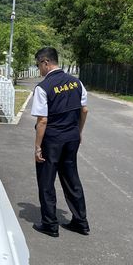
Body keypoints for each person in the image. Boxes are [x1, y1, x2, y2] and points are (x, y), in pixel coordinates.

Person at [30, 47, 90, 238]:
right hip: (72, 137)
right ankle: (81, 222)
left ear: (46, 63)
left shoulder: (43, 87)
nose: (39, 70)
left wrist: (38, 147)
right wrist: (78, 132)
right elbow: (84, 110)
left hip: (52, 140)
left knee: (46, 181)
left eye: (39, 65)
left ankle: (50, 224)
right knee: (71, 178)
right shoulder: (76, 82)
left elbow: (42, 121)